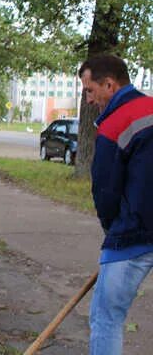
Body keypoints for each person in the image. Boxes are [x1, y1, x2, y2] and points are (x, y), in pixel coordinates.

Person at [79, 54, 153, 355]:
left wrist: (115, 235)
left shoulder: (114, 124)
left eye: (90, 90)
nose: (88, 99)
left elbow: (105, 192)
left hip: (132, 237)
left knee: (106, 318)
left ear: (109, 84)